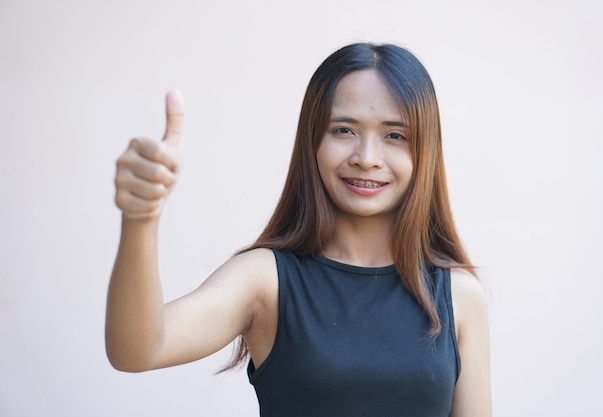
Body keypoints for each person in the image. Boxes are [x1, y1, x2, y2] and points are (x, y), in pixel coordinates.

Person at [106, 42, 492, 417]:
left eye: (395, 135)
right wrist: (141, 219)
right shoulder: (265, 280)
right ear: (313, 141)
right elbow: (137, 350)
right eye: (343, 130)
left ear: (425, 150)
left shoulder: (458, 296)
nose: (367, 158)